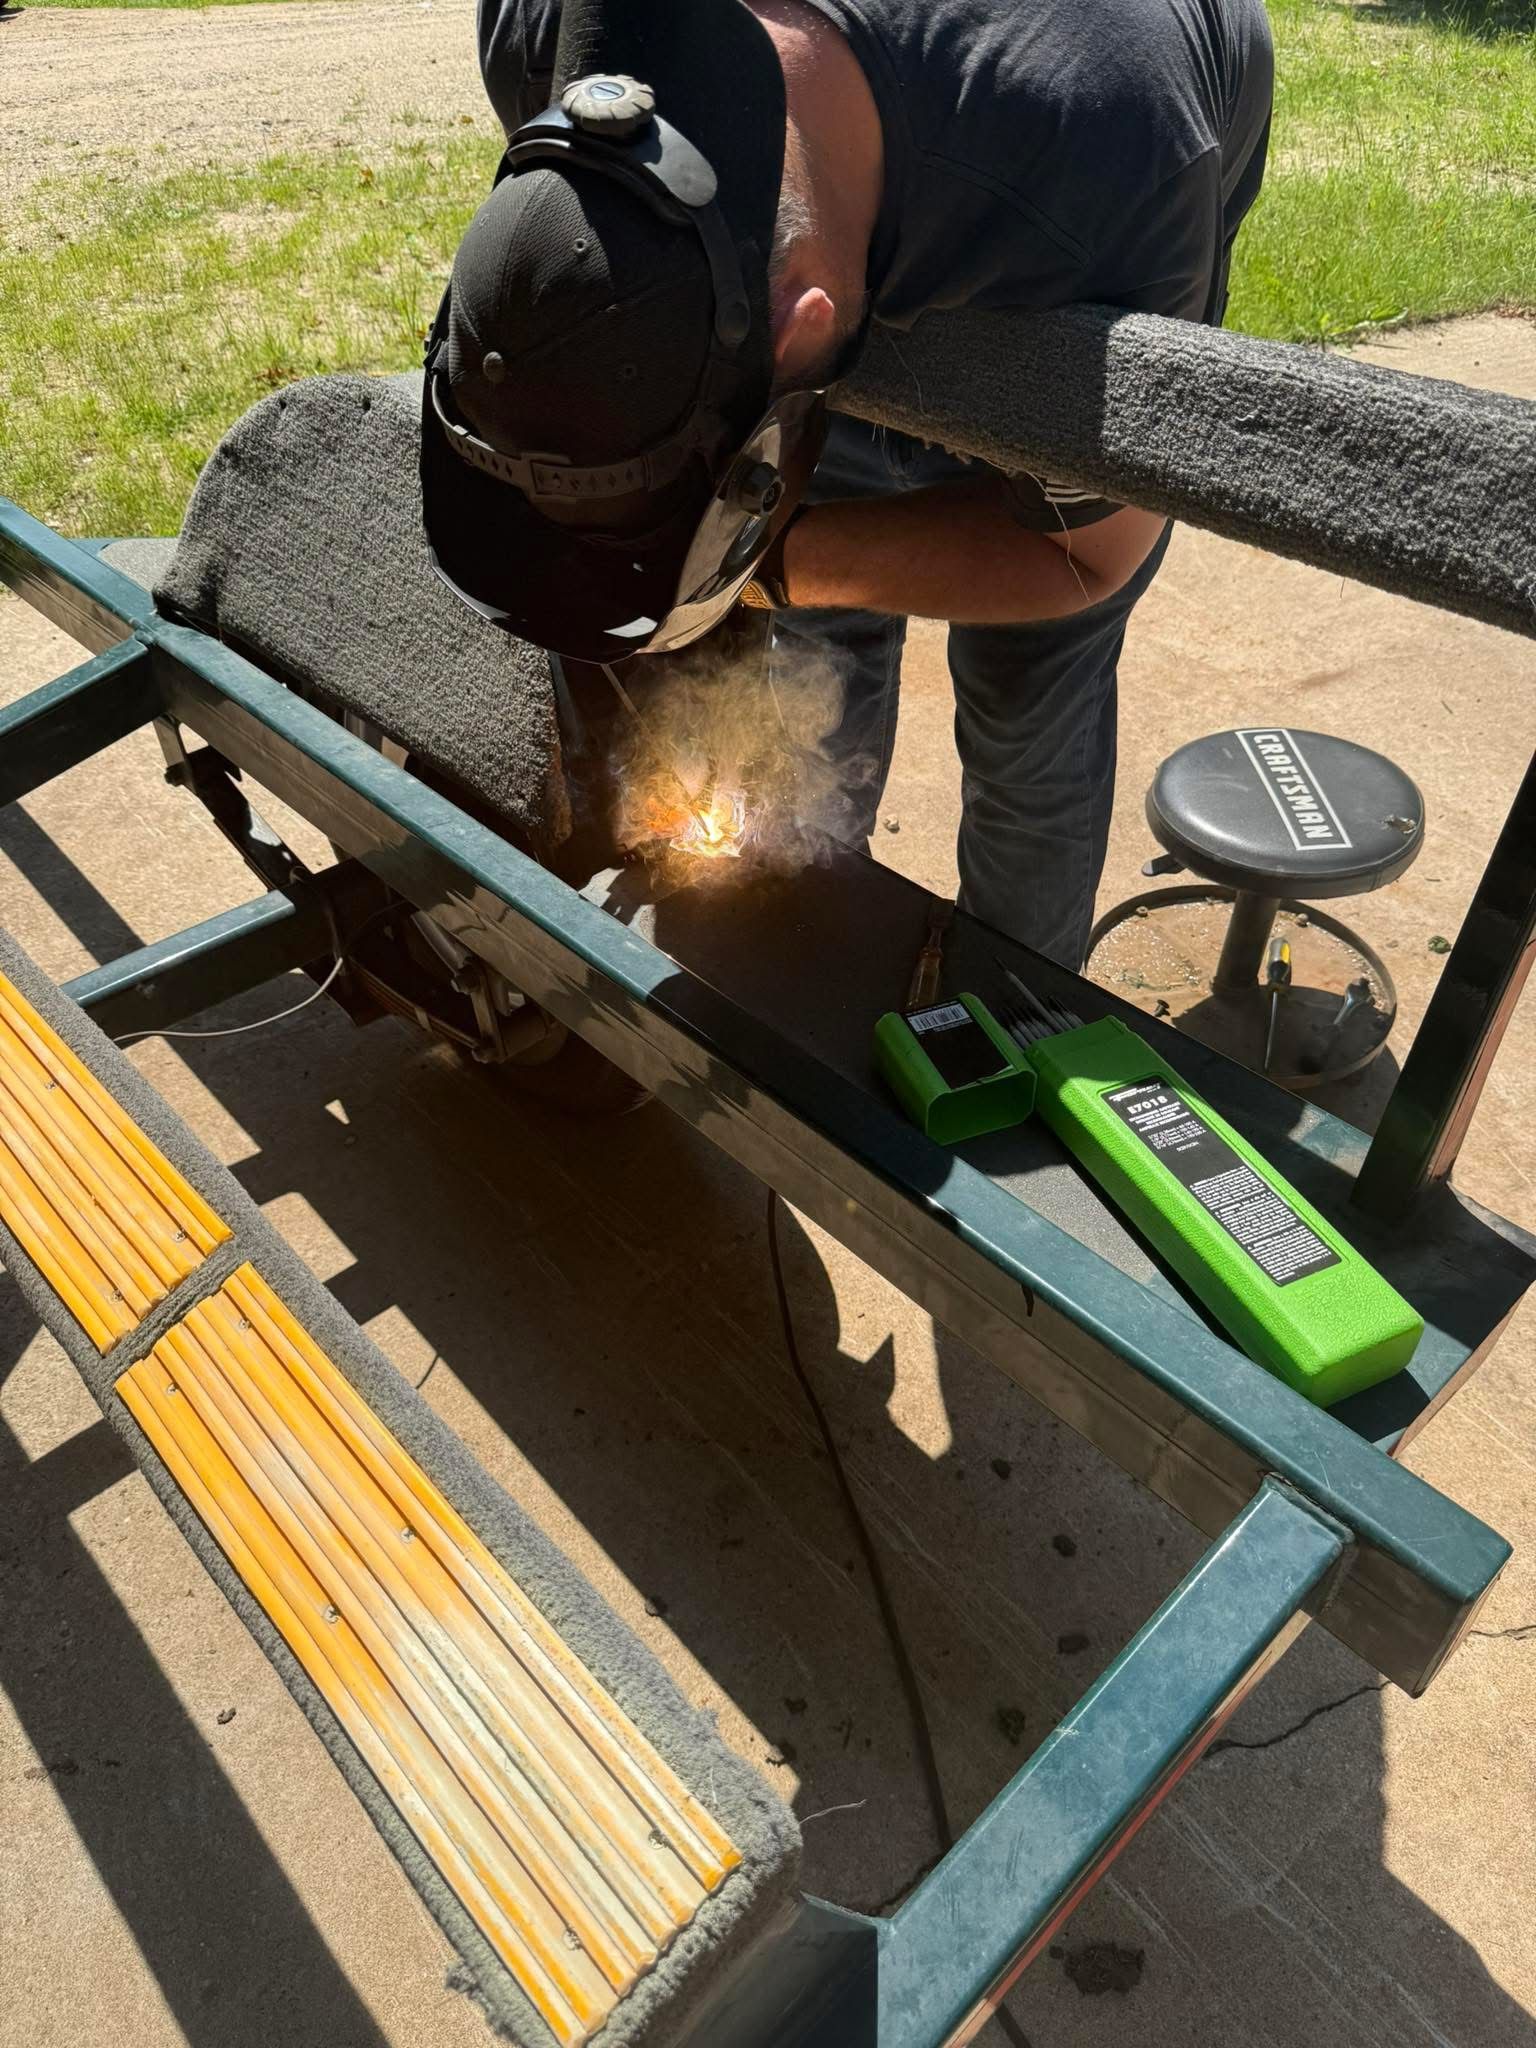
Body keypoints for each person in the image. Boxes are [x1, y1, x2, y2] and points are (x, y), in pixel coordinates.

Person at [424, 0, 1272, 965]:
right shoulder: (540, 35)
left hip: (1087, 150)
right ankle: (814, 948)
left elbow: (1084, 558)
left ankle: (1020, 1011)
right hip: (880, 193)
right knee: (831, 623)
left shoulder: (1119, 173)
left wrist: (772, 562)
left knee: (1030, 692)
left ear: (804, 327)